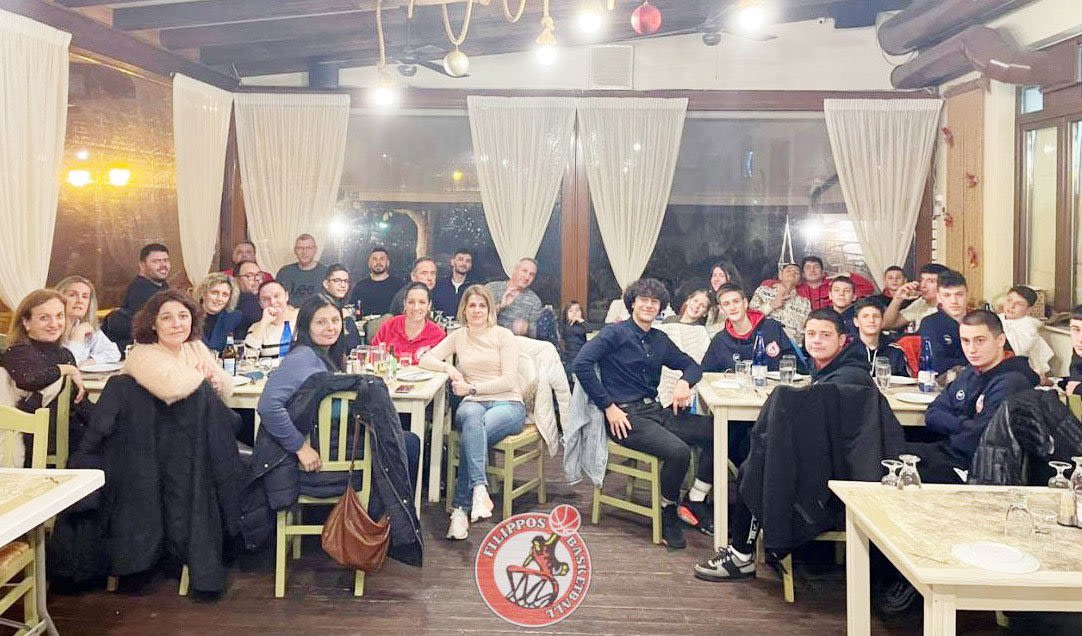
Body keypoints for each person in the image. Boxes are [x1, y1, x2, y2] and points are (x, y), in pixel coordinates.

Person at [694, 309, 873, 582]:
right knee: (754, 454)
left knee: (757, 466)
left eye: (825, 335)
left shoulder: (850, 376)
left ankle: (741, 555)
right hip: (827, 458)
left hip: (837, 475)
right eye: (811, 334)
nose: (817, 340)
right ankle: (744, 550)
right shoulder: (832, 369)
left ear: (842, 340)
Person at [573, 278, 708, 549]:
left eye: (654, 301)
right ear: (632, 303)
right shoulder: (615, 333)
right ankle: (668, 510)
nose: (648, 305)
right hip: (625, 417)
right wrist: (608, 406)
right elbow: (581, 363)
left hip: (655, 410)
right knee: (679, 452)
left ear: (660, 307)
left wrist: (684, 382)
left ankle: (697, 499)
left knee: (717, 431)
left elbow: (693, 366)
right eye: (643, 300)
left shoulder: (660, 339)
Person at [256, 294, 420, 493]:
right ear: (307, 326)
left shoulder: (328, 356)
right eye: (321, 322)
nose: (330, 328)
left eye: (335, 320)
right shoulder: (302, 357)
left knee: (400, 438)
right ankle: (382, 510)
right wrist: (300, 448)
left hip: (330, 442)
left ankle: (383, 509)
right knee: (407, 443)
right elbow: (268, 406)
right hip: (313, 456)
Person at [418, 285, 525, 540]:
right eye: (472, 305)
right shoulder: (458, 336)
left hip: (507, 403)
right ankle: (478, 489)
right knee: (472, 422)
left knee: (473, 432)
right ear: (464, 310)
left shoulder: (503, 336)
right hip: (473, 403)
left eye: (482, 305)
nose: (477, 310)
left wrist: (471, 388)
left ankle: (459, 510)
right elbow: (425, 359)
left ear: (490, 309)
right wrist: (449, 369)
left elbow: (509, 381)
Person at [914, 310, 1039, 484]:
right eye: (965, 341)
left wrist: (954, 423)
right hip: (948, 451)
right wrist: (965, 423)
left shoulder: (1013, 381)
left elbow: (980, 436)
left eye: (980, 340)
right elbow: (933, 413)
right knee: (887, 452)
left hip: (976, 468)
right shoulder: (970, 372)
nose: (971, 349)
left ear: (1000, 340)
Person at [123, 289, 233, 405]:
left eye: (183, 316)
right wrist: (202, 378)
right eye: (166, 318)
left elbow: (228, 386)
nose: (176, 324)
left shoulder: (194, 345)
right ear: (153, 324)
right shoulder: (141, 353)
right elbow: (171, 389)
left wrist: (217, 383)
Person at [3, 289, 87, 415]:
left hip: (68, 424)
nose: (54, 324)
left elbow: (77, 404)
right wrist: (66, 369)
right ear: (26, 322)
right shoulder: (17, 352)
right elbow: (31, 379)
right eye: (44, 318)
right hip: (29, 426)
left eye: (59, 316)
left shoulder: (65, 354)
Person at [702, 284, 800, 373]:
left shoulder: (772, 328)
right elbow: (706, 375)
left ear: (745, 303)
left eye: (736, 301)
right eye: (726, 304)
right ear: (722, 309)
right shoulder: (719, 341)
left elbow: (797, 366)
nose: (732, 307)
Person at [102, 243, 172, 345]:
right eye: (156, 261)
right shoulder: (141, 290)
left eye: (166, 260)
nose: (163, 266)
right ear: (142, 265)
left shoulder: (161, 285)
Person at [372, 283, 446, 365]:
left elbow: (440, 366)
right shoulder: (389, 325)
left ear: (429, 305)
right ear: (404, 304)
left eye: (422, 302)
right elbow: (373, 357)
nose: (416, 308)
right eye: (411, 302)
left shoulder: (438, 335)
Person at [54, 276, 120, 367]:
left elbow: (114, 353)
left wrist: (90, 361)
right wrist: (78, 335)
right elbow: (68, 364)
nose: (80, 301)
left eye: (85, 296)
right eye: (72, 295)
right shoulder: (51, 329)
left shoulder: (84, 326)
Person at [917, 269, 969, 374]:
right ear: (939, 297)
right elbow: (936, 363)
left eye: (959, 294)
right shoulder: (930, 323)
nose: (954, 301)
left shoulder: (981, 321)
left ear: (967, 295)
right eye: (947, 295)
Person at [998, 285, 1053, 379]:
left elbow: (1016, 350)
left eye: (1019, 304)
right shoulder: (996, 318)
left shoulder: (1029, 326)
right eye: (1009, 300)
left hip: (1019, 369)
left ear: (1028, 310)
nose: (1011, 306)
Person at [749, 263, 811, 344]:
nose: (792, 273)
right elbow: (750, 317)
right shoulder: (763, 291)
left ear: (800, 280)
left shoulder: (805, 303)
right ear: (780, 275)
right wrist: (771, 306)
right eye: (788, 271)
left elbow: (806, 329)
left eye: (796, 272)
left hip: (792, 343)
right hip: (764, 340)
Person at [849, 298, 910, 377]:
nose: (871, 320)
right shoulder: (847, 350)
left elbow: (904, 381)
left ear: (882, 321)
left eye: (876, 316)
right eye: (865, 316)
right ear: (856, 322)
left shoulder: (895, 350)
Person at [882, 263, 949, 331]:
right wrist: (898, 298)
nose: (922, 285)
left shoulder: (950, 307)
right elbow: (887, 325)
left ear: (944, 285)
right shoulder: (922, 302)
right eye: (921, 280)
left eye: (931, 281)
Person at [487, 258, 543, 337]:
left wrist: (526, 330)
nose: (527, 277)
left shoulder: (534, 301)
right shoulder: (491, 288)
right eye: (524, 271)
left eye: (532, 274)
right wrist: (500, 306)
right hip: (488, 339)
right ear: (515, 270)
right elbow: (479, 319)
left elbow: (534, 335)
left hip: (514, 342)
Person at [244, 281, 299, 360]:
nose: (272, 302)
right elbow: (248, 357)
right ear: (260, 304)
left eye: (277, 296)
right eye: (265, 299)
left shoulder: (303, 316)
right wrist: (264, 323)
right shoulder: (256, 328)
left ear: (286, 296)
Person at [191, 273, 244, 353]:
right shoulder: (190, 316)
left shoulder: (234, 317)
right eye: (215, 293)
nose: (219, 299)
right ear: (203, 294)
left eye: (225, 295)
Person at [275, 234, 328, 306]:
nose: (304, 252)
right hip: (289, 312)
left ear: (315, 250)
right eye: (300, 248)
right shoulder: (284, 272)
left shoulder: (326, 273)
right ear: (295, 250)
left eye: (308, 248)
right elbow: (276, 298)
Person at [320, 264, 363, 350]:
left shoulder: (342, 307)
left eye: (346, 281)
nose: (343, 285)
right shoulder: (319, 308)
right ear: (326, 284)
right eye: (337, 280)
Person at [348, 247, 401, 316]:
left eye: (382, 259)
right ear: (369, 263)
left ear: (388, 263)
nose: (378, 262)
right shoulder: (360, 287)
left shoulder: (399, 285)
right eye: (375, 259)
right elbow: (352, 311)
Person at [558, 301, 598, 383]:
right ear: (566, 314)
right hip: (570, 358)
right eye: (570, 311)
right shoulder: (566, 326)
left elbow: (591, 331)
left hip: (583, 356)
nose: (574, 313)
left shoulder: (583, 325)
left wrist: (581, 320)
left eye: (577, 310)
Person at [432, 248, 477, 317]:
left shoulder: (474, 288)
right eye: (460, 259)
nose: (464, 263)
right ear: (452, 262)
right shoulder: (439, 285)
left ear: (471, 265)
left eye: (468, 261)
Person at [234, 260, 265, 337]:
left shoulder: (265, 297)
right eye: (250, 276)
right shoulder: (245, 300)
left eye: (259, 274)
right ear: (237, 280)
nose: (257, 279)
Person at [1059, 305, 1082, 396]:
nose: (1080, 339)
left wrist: (1078, 389)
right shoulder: (1078, 351)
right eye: (1076, 330)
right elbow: (1075, 380)